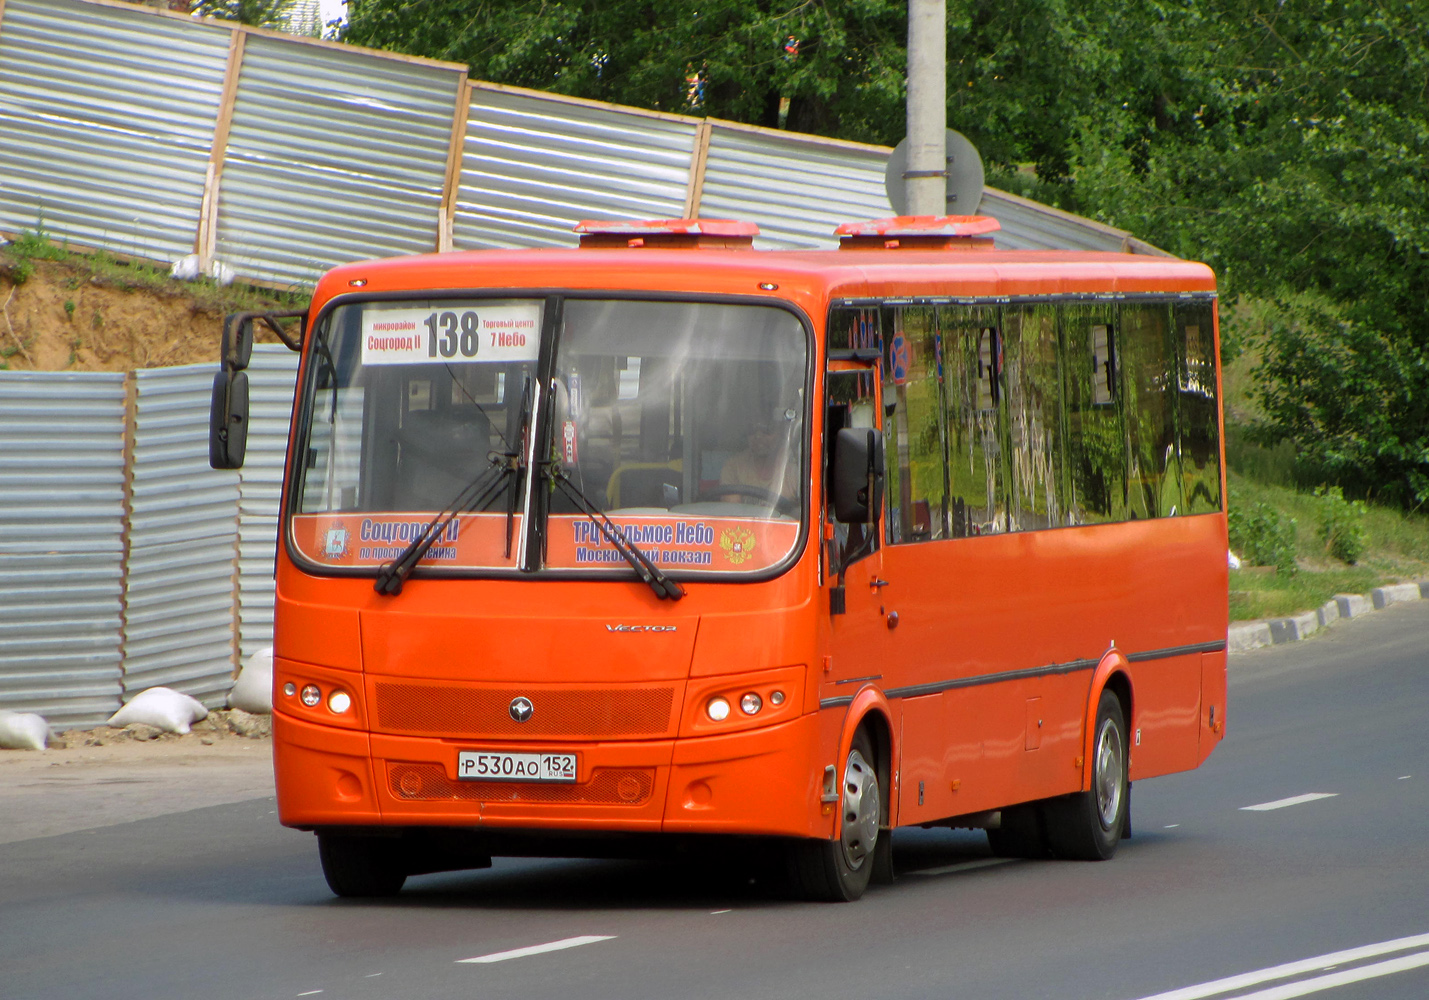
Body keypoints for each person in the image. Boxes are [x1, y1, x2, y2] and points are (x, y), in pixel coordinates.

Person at [720, 413, 798, 503]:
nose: (758, 436)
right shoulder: (733, 467)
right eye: (752, 431)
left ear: (781, 434)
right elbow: (732, 510)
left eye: (767, 430)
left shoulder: (795, 469)